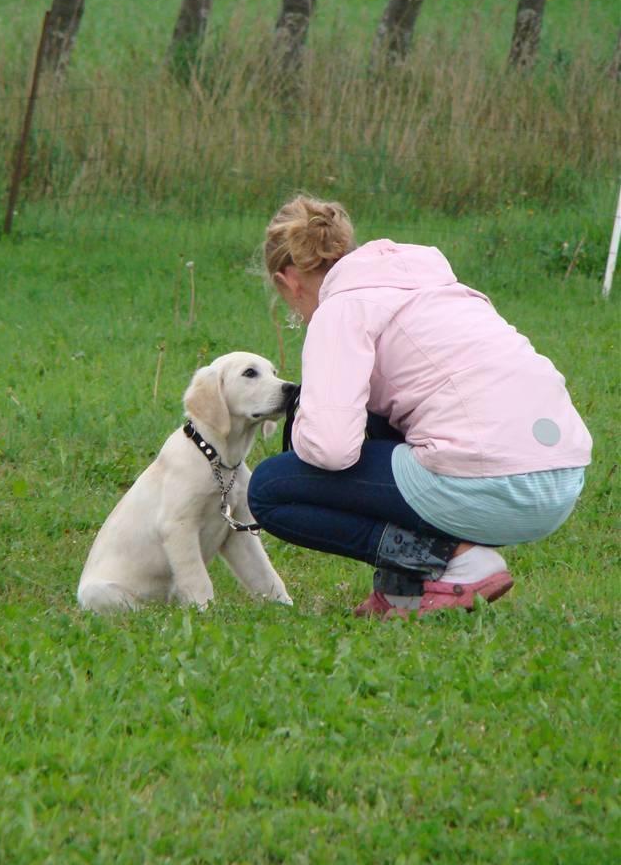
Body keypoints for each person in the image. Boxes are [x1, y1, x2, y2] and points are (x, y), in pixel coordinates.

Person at [247, 195, 593, 618]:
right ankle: (403, 593)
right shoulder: (438, 284)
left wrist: (305, 416)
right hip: (561, 480)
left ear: (288, 282)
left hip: (494, 484)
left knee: (270, 490)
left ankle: (455, 560)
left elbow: (331, 449)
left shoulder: (340, 308)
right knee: (380, 413)